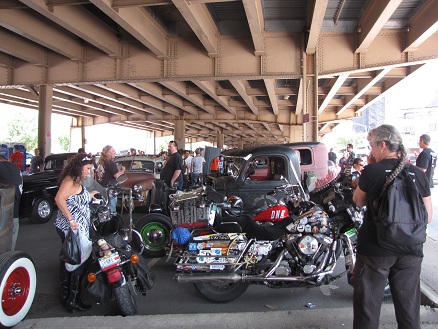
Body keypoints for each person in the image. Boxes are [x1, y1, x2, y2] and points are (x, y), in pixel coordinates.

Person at [352, 124, 432, 329]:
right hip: (411, 249)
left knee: (367, 307)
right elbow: (428, 216)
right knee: (409, 307)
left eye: (371, 146)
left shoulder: (372, 170)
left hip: (375, 249)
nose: (370, 151)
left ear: (383, 145)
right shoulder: (416, 172)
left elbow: (358, 201)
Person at [54, 154, 99, 313]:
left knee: (69, 258)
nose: (89, 172)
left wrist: (89, 195)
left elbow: (75, 198)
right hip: (72, 229)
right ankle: (73, 299)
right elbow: (59, 199)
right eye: (87, 168)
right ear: (79, 166)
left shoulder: (74, 180)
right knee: (81, 261)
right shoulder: (70, 181)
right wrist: (71, 219)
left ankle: (66, 297)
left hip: (74, 228)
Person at [0, 155, 23, 251]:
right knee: (9, 247)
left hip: (2, 214)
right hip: (14, 212)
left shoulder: (1, 167)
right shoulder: (17, 169)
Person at [95, 145, 125, 213]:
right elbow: (116, 175)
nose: (115, 152)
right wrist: (122, 170)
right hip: (109, 189)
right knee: (111, 209)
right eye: (113, 151)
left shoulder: (100, 162)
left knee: (102, 208)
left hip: (100, 187)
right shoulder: (110, 163)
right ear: (108, 153)